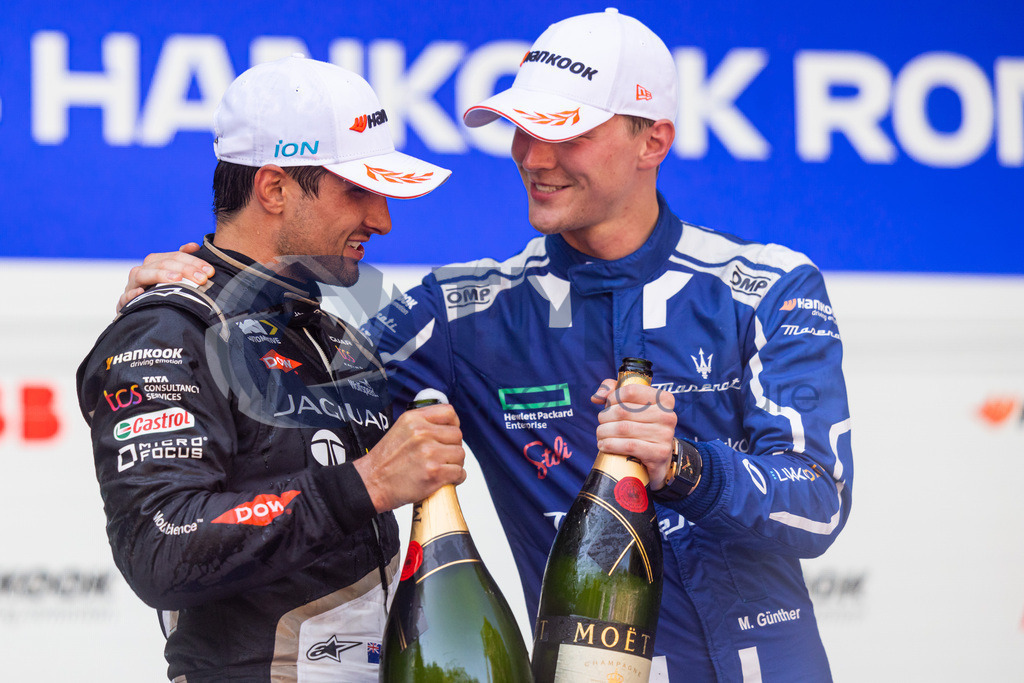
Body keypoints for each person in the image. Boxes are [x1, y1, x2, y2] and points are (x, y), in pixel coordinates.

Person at [120, 9, 854, 681]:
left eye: (566, 134)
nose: (533, 156)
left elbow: (819, 504)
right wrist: (202, 287)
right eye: (522, 128)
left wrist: (685, 464)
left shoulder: (769, 287)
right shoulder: (462, 310)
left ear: (652, 140)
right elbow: (291, 406)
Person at [76, 55, 469, 682]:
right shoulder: (169, 331)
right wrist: (363, 483)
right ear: (275, 188)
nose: (383, 220)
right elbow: (159, 550)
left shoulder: (336, 337)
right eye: (358, 190)